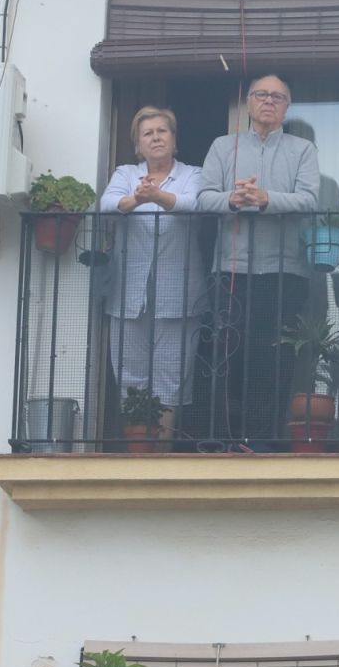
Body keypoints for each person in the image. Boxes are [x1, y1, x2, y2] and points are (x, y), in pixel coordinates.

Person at [194, 74, 320, 446]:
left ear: (287, 107)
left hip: (284, 272)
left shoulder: (303, 150)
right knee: (225, 358)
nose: (269, 101)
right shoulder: (223, 146)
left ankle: (263, 441)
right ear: (248, 102)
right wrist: (232, 200)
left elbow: (310, 200)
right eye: (262, 95)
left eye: (278, 97)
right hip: (230, 269)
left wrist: (265, 199)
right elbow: (203, 198)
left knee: (273, 362)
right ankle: (223, 440)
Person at [98, 107, 207, 438]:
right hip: (128, 294)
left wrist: (156, 196)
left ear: (175, 141)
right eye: (148, 133)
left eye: (163, 131)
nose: (156, 137)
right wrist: (136, 199)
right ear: (137, 146)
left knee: (170, 380)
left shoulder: (193, 174)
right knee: (130, 378)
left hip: (179, 294)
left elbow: (197, 204)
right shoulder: (126, 173)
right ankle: (137, 461)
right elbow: (106, 204)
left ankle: (161, 458)